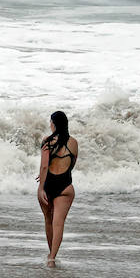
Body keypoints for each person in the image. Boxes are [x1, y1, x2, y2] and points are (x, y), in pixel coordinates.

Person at [36, 110, 78, 267]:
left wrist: (41, 187)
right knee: (58, 223)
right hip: (66, 185)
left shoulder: (47, 141)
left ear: (53, 124)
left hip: (48, 186)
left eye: (50, 122)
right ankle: (52, 257)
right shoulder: (73, 142)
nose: (49, 125)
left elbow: (45, 165)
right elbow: (72, 164)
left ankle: (51, 253)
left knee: (48, 220)